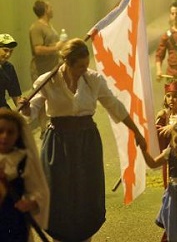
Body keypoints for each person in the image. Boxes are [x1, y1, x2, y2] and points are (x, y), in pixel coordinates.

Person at [20, 38, 147, 241]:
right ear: (66, 63)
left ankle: (84, 237)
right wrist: (26, 106)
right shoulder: (47, 81)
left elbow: (115, 106)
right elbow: (32, 111)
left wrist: (137, 133)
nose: (84, 70)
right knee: (58, 190)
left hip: (86, 142)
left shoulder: (93, 79)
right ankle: (59, 237)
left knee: (85, 190)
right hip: (58, 142)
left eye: (86, 65)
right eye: (80, 66)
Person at [0, 108, 49, 242]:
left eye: (10, 132)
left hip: (14, 222)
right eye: (1, 131)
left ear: (18, 135)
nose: (4, 136)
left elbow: (39, 190)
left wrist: (31, 203)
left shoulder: (23, 160)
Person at [29, 0, 63, 82]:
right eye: (50, 7)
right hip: (41, 72)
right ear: (45, 10)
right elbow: (38, 50)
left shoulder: (49, 26)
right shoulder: (36, 28)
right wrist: (56, 48)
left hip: (52, 70)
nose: (52, 9)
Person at [0, 34, 22, 109]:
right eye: (5, 50)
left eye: (11, 51)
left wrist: (23, 105)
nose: (8, 54)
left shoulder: (9, 68)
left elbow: (16, 96)